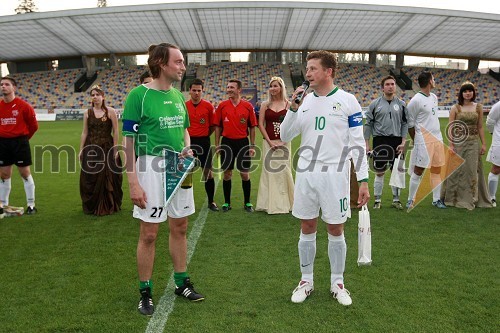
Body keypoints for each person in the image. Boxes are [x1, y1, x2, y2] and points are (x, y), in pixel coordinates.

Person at [280, 50, 370, 306]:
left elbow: (357, 144)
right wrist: (293, 108)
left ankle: (337, 282)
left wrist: (362, 180)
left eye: (312, 68)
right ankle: (306, 280)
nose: (307, 73)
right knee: (307, 226)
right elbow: (285, 135)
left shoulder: (348, 101)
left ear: (328, 71)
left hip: (336, 174)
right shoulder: (303, 101)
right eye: (307, 68)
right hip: (307, 173)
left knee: (335, 227)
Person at [122, 43, 204, 316]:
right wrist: (133, 182)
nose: (183, 66)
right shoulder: (139, 95)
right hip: (149, 168)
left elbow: (184, 131)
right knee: (149, 233)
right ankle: (145, 291)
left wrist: (187, 148)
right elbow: (128, 143)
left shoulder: (179, 97)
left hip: (177, 166)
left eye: (183, 62)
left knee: (180, 227)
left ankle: (181, 282)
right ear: (161, 63)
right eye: (179, 61)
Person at [441, 82, 492, 209]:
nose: (468, 93)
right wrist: (451, 145)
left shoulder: (478, 107)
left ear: (473, 93)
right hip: (458, 143)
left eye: (470, 91)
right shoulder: (455, 108)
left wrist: (484, 144)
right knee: (456, 170)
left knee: (471, 170)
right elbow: (451, 127)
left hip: (473, 143)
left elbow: (480, 126)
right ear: (461, 93)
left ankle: (471, 198)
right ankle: (453, 198)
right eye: (465, 91)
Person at [214, 79, 258, 213]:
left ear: (239, 90)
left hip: (243, 143)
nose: (229, 89)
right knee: (227, 174)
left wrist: (252, 145)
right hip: (227, 142)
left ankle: (247, 202)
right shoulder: (222, 106)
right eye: (227, 87)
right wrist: (217, 145)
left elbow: (252, 127)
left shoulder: (248, 106)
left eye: (232, 87)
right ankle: (227, 202)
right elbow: (217, 127)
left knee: (245, 174)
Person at [364, 75, 408, 210]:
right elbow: (368, 124)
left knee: (397, 172)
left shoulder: (401, 104)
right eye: (387, 84)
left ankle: (396, 200)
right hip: (380, 140)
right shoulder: (374, 104)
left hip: (397, 141)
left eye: (393, 84)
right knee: (379, 171)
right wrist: (367, 143)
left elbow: (405, 124)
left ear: (395, 87)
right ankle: (377, 200)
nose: (390, 86)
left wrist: (403, 142)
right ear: (382, 88)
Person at [79, 85, 123, 215]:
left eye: (97, 94)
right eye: (92, 95)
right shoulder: (87, 113)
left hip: (107, 148)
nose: (95, 97)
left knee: (107, 178)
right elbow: (84, 132)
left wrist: (115, 149)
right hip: (91, 149)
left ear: (103, 97)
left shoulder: (110, 111)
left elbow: (115, 131)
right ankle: (93, 205)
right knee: (90, 177)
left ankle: (108, 204)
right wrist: (81, 149)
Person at [406, 71, 447, 209]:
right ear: (430, 81)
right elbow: (410, 125)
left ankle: (436, 200)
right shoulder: (415, 101)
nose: (434, 81)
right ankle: (410, 200)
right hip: (423, 140)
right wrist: (417, 139)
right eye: (433, 79)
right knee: (418, 170)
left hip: (437, 139)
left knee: (436, 170)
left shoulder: (434, 97)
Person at [0, 76, 38, 217]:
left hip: (20, 142)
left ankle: (31, 205)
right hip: (2, 143)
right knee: (4, 174)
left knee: (25, 173)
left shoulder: (24, 106)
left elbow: (34, 126)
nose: (3, 86)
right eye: (1, 84)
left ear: (13, 88)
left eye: (7, 84)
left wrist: (24, 139)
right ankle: (3, 205)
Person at [256, 76, 294, 214]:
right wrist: (269, 141)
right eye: (271, 86)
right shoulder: (265, 105)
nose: (272, 88)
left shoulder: (288, 105)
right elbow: (261, 124)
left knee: (285, 172)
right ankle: (268, 204)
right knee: (269, 173)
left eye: (275, 86)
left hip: (284, 143)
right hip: (269, 143)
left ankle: (288, 203)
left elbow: (293, 125)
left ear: (281, 87)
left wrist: (284, 141)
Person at [186, 78, 218, 211]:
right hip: (188, 142)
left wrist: (204, 135)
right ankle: (185, 202)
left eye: (199, 90)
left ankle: (211, 201)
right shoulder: (183, 105)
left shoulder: (208, 106)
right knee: (186, 173)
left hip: (204, 141)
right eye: (194, 90)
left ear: (203, 91)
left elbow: (212, 126)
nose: (196, 93)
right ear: (189, 91)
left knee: (208, 173)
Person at [486, 100, 500, 207]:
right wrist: (493, 134)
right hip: (499, 142)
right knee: (496, 169)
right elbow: (490, 121)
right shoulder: (498, 105)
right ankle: (491, 197)